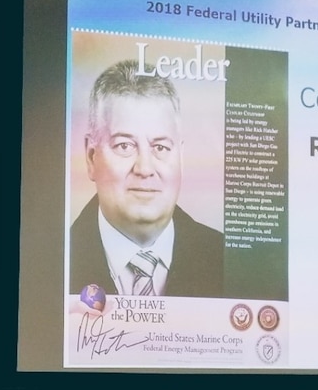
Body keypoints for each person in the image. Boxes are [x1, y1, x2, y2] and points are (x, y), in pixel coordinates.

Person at [69, 59, 224, 298]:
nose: (145, 168)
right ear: (91, 157)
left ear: (181, 158)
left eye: (160, 147)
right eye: (124, 145)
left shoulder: (229, 265)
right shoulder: (52, 258)